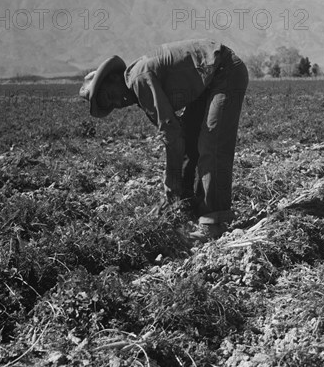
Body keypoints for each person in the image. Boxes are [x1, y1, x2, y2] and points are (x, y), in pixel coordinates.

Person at [79, 39, 249, 240]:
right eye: (110, 104)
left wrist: (171, 182)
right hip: (208, 82)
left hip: (224, 71)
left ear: (114, 78)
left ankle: (215, 222)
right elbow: (178, 135)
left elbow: (171, 134)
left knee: (212, 144)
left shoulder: (139, 79)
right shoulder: (137, 83)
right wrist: (176, 196)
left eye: (110, 94)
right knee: (191, 140)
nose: (116, 102)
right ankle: (188, 206)